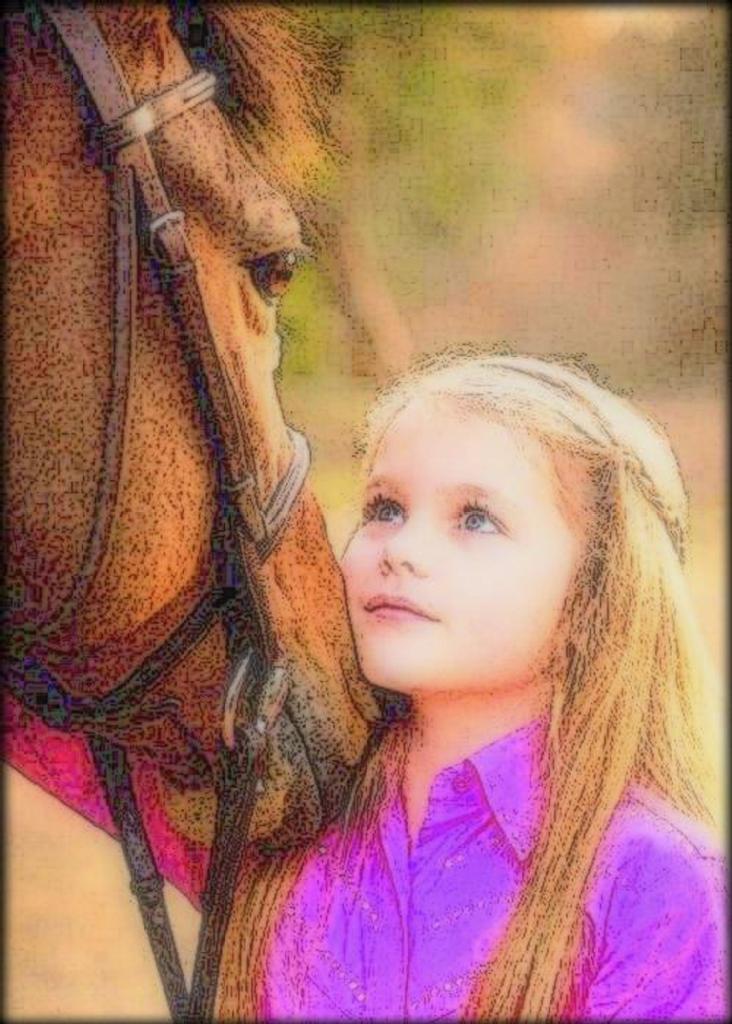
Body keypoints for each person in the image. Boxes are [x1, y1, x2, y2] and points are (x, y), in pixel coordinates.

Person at [215, 347, 727, 1021]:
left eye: (475, 518)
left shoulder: (657, 883)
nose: (401, 550)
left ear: (591, 597)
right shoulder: (283, 806)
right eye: (385, 508)